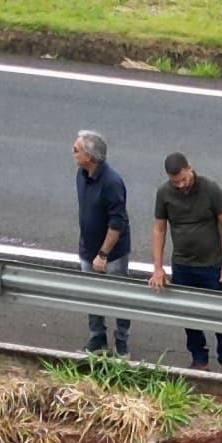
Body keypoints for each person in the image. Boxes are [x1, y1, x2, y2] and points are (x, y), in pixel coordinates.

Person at [151, 150, 222, 372]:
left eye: (182, 179)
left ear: (190, 168)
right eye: (174, 182)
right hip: (182, 265)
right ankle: (199, 359)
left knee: (220, 314)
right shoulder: (164, 194)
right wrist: (158, 268)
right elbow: (159, 229)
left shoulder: (210, 189)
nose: (180, 185)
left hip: (211, 265)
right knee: (188, 314)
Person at [73, 129, 134, 355]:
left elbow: (117, 222)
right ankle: (97, 337)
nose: (73, 153)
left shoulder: (112, 183)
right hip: (87, 248)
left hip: (112, 253)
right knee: (91, 293)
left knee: (119, 296)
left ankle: (121, 341)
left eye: (76, 150)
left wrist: (103, 254)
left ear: (89, 157)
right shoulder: (81, 174)